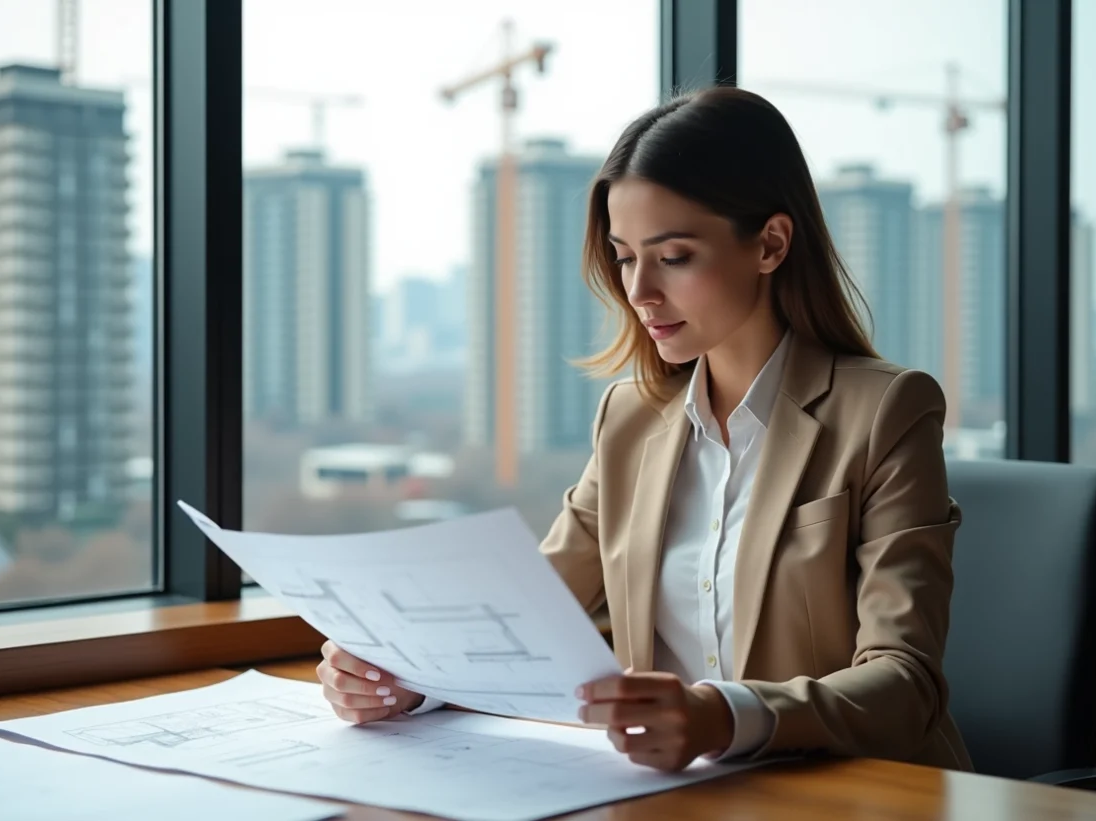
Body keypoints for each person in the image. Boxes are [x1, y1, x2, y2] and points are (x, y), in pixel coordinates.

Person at [316, 85, 972, 774]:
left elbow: (906, 682)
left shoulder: (888, 410)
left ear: (771, 244)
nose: (639, 290)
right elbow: (527, 625)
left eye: (675, 255)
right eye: (626, 256)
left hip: (847, 793)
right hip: (677, 795)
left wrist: (723, 715)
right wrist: (400, 679)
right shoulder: (629, 420)